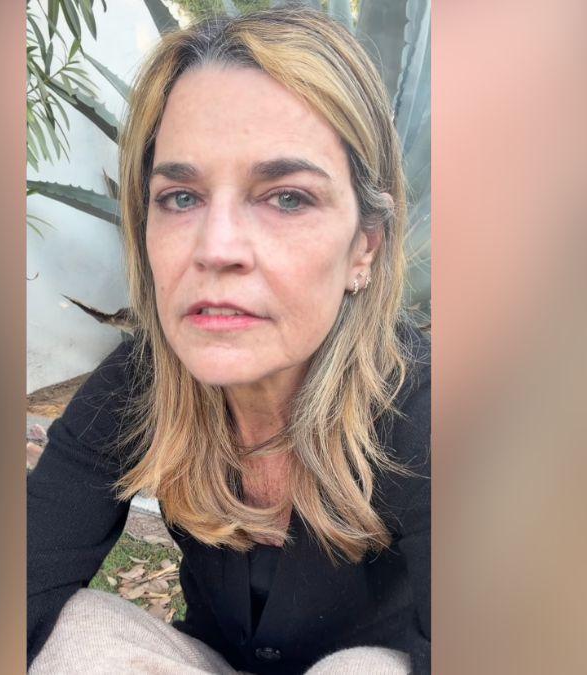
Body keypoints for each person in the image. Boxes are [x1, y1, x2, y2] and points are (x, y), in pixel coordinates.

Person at [27, 7, 429, 674]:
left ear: (365, 246)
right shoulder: (145, 382)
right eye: (181, 198)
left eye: (287, 197)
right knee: (80, 640)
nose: (216, 249)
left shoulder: (428, 409)